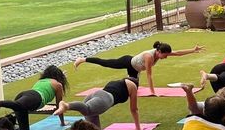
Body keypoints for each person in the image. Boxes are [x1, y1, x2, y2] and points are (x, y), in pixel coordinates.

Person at [74, 41, 205, 96]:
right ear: (158, 51)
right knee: (106, 63)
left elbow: (177, 53)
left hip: (135, 69)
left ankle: (125, 82)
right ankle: (83, 59)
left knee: (133, 89)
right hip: (127, 62)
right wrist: (152, 91)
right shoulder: (149, 57)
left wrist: (193, 50)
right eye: (164, 56)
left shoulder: (161, 51)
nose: (165, 58)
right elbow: (149, 75)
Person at [0, 65, 69, 130]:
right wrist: (62, 122)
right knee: (17, 105)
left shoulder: (41, 81)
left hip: (25, 95)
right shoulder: (58, 84)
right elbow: (59, 106)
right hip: (34, 97)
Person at [53, 77, 141, 130]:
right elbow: (134, 109)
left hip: (95, 95)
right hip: (105, 98)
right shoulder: (133, 86)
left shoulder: (117, 82)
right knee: (87, 110)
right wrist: (138, 128)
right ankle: (67, 105)